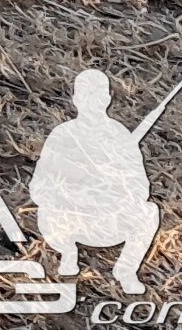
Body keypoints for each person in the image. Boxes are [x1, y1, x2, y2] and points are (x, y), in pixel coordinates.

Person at [29, 68, 163, 294]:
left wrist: (115, 191)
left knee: (148, 212)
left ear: (108, 98)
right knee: (46, 211)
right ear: (76, 99)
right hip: (70, 217)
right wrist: (70, 193)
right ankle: (68, 253)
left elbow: (140, 186)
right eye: (86, 94)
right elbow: (38, 187)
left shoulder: (120, 135)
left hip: (107, 218)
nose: (93, 101)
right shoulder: (62, 135)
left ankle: (126, 270)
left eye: (99, 94)